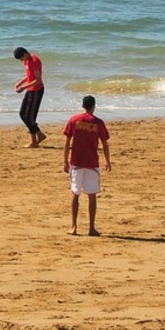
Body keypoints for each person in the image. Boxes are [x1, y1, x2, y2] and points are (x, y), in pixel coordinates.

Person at [63, 95, 111, 236]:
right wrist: (108, 161)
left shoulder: (74, 120)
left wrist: (65, 161)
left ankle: (73, 226)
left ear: (83, 105)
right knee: (91, 195)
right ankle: (91, 227)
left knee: (75, 193)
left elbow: (67, 143)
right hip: (91, 163)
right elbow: (105, 144)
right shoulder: (98, 123)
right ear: (93, 106)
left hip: (76, 162)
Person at [12, 47, 48, 148]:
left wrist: (23, 87)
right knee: (22, 113)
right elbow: (29, 76)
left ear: (25, 54)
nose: (21, 61)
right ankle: (40, 135)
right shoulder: (26, 61)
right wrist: (20, 82)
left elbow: (38, 80)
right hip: (30, 89)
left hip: (37, 90)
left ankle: (34, 141)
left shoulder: (34, 61)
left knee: (30, 118)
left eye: (21, 59)